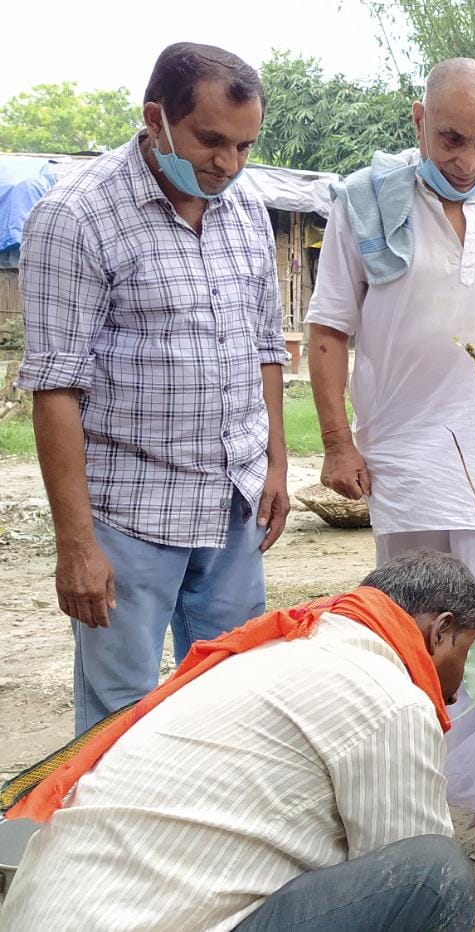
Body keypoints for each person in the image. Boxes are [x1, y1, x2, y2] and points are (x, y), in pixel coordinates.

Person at [306, 57, 475, 819]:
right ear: (418, 119)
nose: (467, 162)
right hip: (410, 463)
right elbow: (327, 328)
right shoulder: (365, 204)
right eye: (452, 139)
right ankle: (418, 781)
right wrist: (337, 443)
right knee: (416, 630)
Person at [1, 551, 475, 932]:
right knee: (434, 873)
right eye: (469, 653)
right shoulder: (388, 693)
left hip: (51, 912)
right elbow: (410, 883)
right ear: (440, 631)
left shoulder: (281, 650)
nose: (462, 686)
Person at [16, 43, 290, 734]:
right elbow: (54, 387)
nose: (226, 163)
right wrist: (77, 545)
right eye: (211, 140)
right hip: (129, 516)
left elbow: (264, 349)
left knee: (233, 698)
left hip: (232, 507)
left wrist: (276, 463)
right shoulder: (75, 217)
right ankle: (113, 841)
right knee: (122, 720)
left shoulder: (247, 211)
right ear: (155, 118)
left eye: (244, 146)